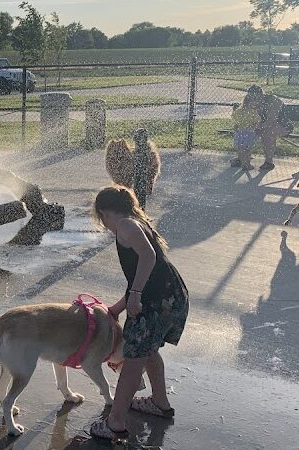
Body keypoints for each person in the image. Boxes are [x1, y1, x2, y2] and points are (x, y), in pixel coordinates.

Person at [88, 186, 190, 442]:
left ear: (104, 213)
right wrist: (116, 308)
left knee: (133, 359)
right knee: (148, 351)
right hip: (169, 296)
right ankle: (159, 401)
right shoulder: (135, 222)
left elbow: (148, 257)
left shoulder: (125, 226)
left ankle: (115, 423)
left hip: (155, 302)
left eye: (101, 219)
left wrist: (135, 294)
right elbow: (142, 272)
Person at [230, 85, 290, 172]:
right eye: (251, 98)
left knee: (268, 132)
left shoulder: (272, 100)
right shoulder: (250, 101)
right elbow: (246, 117)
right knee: (242, 133)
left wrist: (253, 127)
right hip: (260, 125)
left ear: (262, 95)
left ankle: (269, 162)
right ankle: (242, 158)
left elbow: (271, 121)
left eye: (256, 97)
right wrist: (243, 127)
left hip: (282, 126)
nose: (253, 100)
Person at [230, 93, 261, 171]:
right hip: (249, 133)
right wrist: (254, 127)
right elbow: (257, 121)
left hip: (239, 132)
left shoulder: (238, 111)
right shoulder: (252, 112)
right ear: (252, 102)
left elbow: (234, 119)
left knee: (241, 149)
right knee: (248, 149)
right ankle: (247, 164)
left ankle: (243, 163)